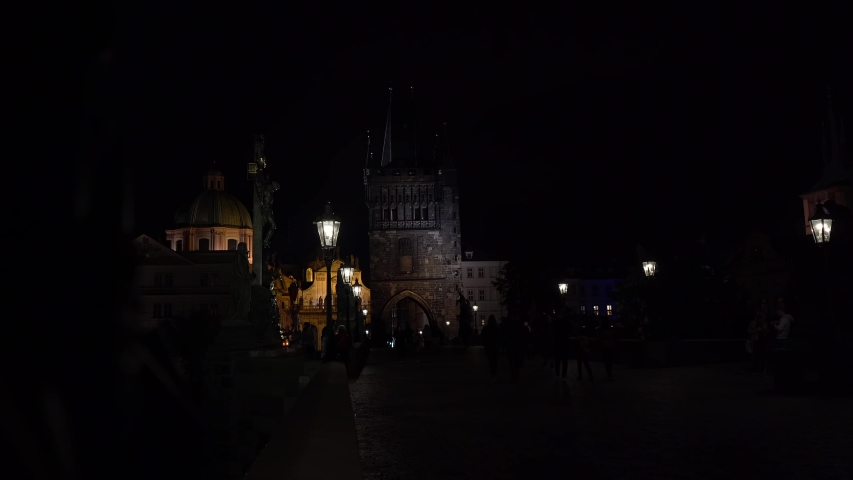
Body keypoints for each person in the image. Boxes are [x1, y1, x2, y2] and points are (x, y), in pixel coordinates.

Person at [747, 311, 769, 376]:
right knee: (755, 356)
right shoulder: (753, 322)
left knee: (762, 356)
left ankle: (762, 370)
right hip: (756, 341)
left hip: (763, 342)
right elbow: (749, 331)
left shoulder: (764, 323)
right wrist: (757, 330)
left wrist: (765, 329)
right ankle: (755, 370)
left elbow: (768, 332)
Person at [482, 315, 502, 383]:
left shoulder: (486, 328)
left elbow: (483, 337)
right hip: (495, 347)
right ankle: (494, 371)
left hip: (489, 346)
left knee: (490, 360)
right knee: (495, 360)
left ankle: (492, 371)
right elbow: (500, 337)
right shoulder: (497, 328)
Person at [552, 313, 571, 382]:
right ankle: (563, 374)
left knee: (557, 359)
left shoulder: (555, 323)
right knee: (564, 360)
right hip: (565, 343)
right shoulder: (566, 323)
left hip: (558, 342)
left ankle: (557, 373)